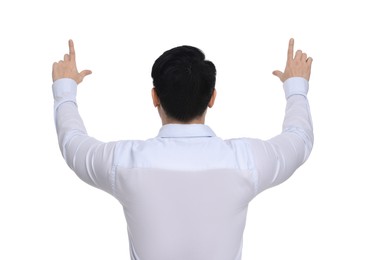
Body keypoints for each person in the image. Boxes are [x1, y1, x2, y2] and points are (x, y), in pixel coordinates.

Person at [52, 38, 313, 260]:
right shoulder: (247, 161)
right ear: (212, 98)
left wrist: (65, 89)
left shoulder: (122, 162)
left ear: (154, 97)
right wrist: (296, 87)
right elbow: (299, 139)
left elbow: (72, 143)